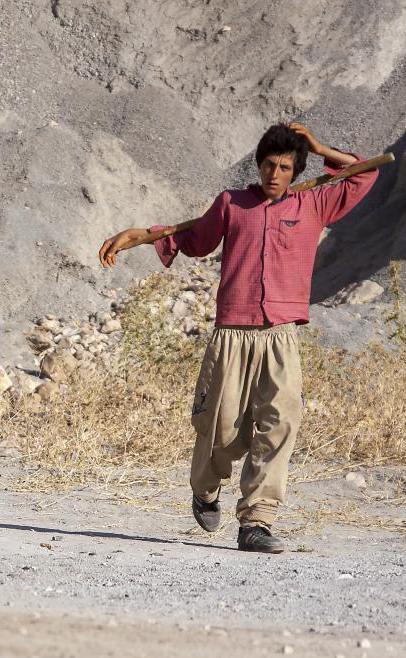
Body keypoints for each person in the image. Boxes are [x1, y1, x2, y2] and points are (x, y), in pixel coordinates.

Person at [98, 123, 378, 553]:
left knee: (279, 423)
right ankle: (205, 489)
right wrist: (141, 233)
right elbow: (193, 239)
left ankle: (257, 522)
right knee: (221, 427)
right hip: (232, 333)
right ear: (259, 165)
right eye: (269, 165)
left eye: (285, 167)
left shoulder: (314, 203)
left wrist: (320, 147)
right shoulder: (232, 204)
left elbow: (361, 173)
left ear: (295, 171)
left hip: (282, 335)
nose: (274, 174)